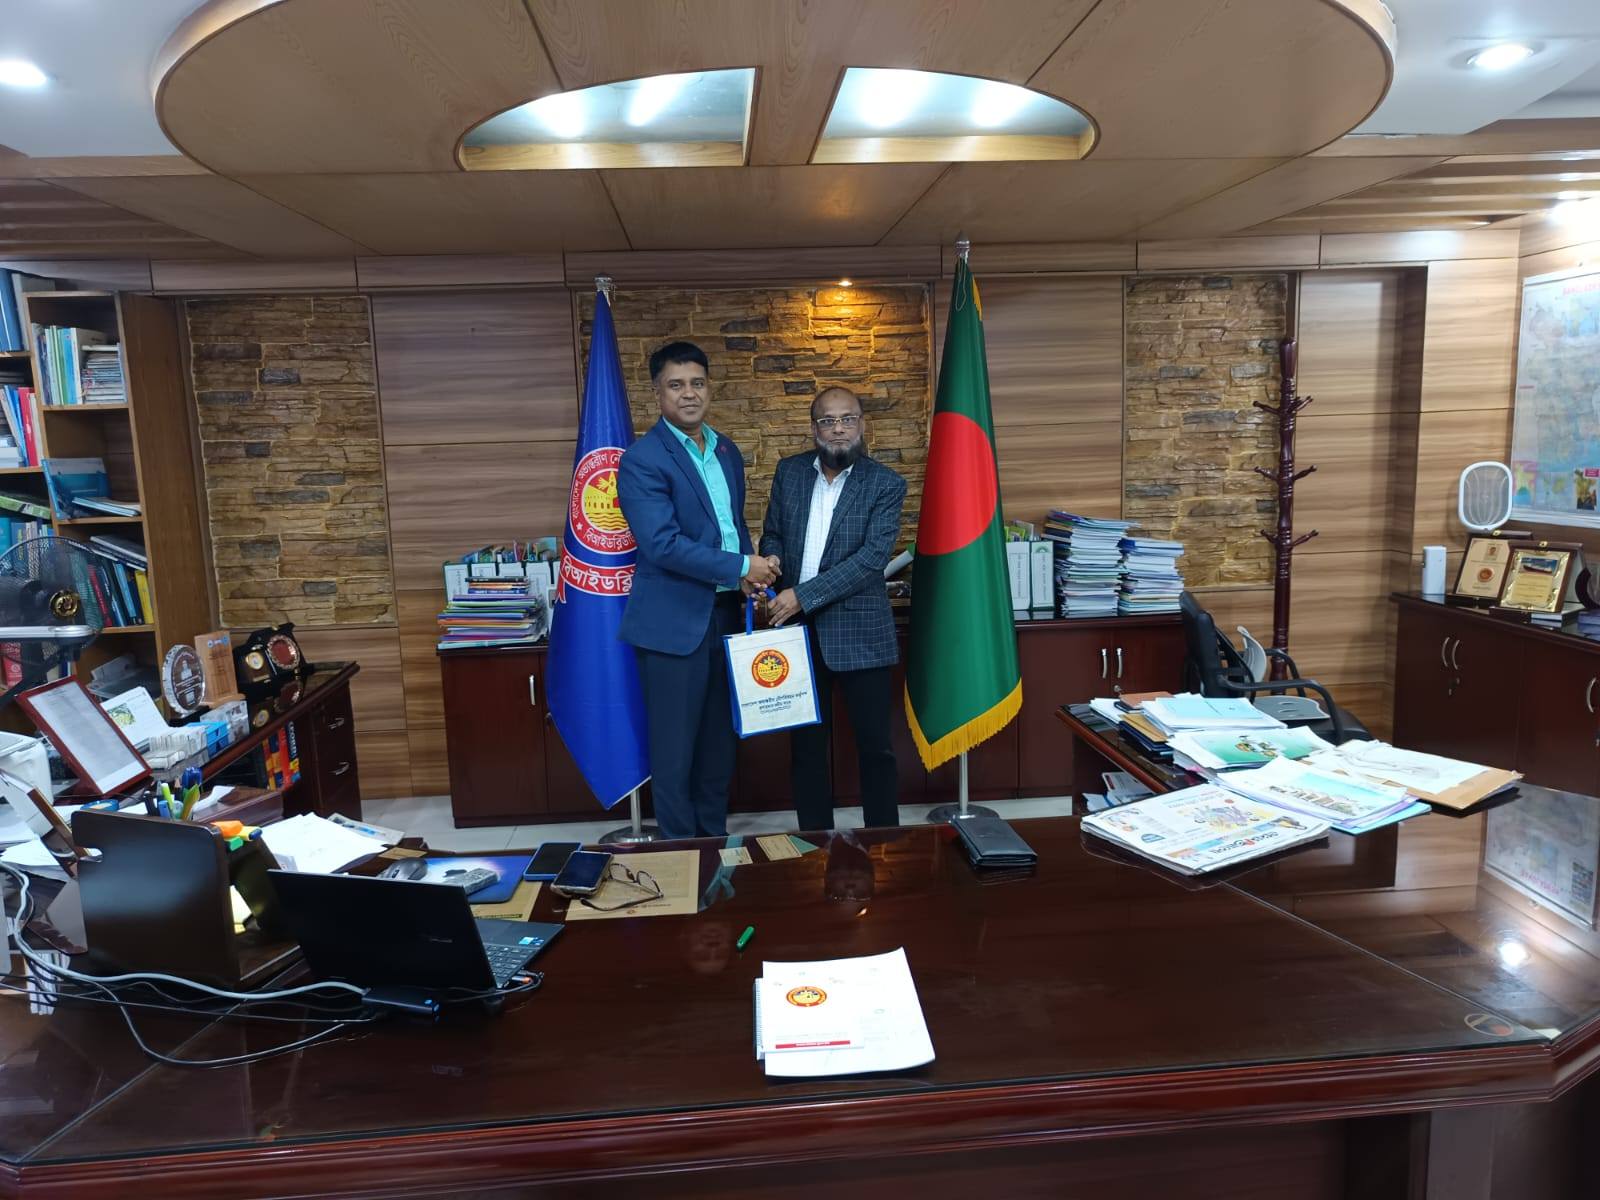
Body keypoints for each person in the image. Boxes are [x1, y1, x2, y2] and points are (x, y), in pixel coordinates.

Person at [618, 341, 779, 840]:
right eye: (676, 385)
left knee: (718, 744)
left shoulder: (726, 450)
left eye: (697, 383)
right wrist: (742, 565)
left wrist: (750, 575)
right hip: (672, 625)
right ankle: (681, 853)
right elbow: (662, 544)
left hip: (726, 615)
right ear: (657, 393)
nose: (688, 394)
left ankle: (713, 843)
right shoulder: (642, 460)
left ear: (709, 388)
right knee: (674, 751)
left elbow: (731, 527)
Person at [760, 386, 908, 830]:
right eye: (828, 420)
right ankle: (814, 842)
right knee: (806, 749)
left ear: (862, 424)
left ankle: (884, 842)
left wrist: (802, 595)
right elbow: (773, 533)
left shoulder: (885, 483)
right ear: (814, 428)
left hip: (861, 633)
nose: (838, 428)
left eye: (847, 419)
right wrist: (770, 564)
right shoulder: (789, 472)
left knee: (875, 749)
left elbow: (870, 561)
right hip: (797, 632)